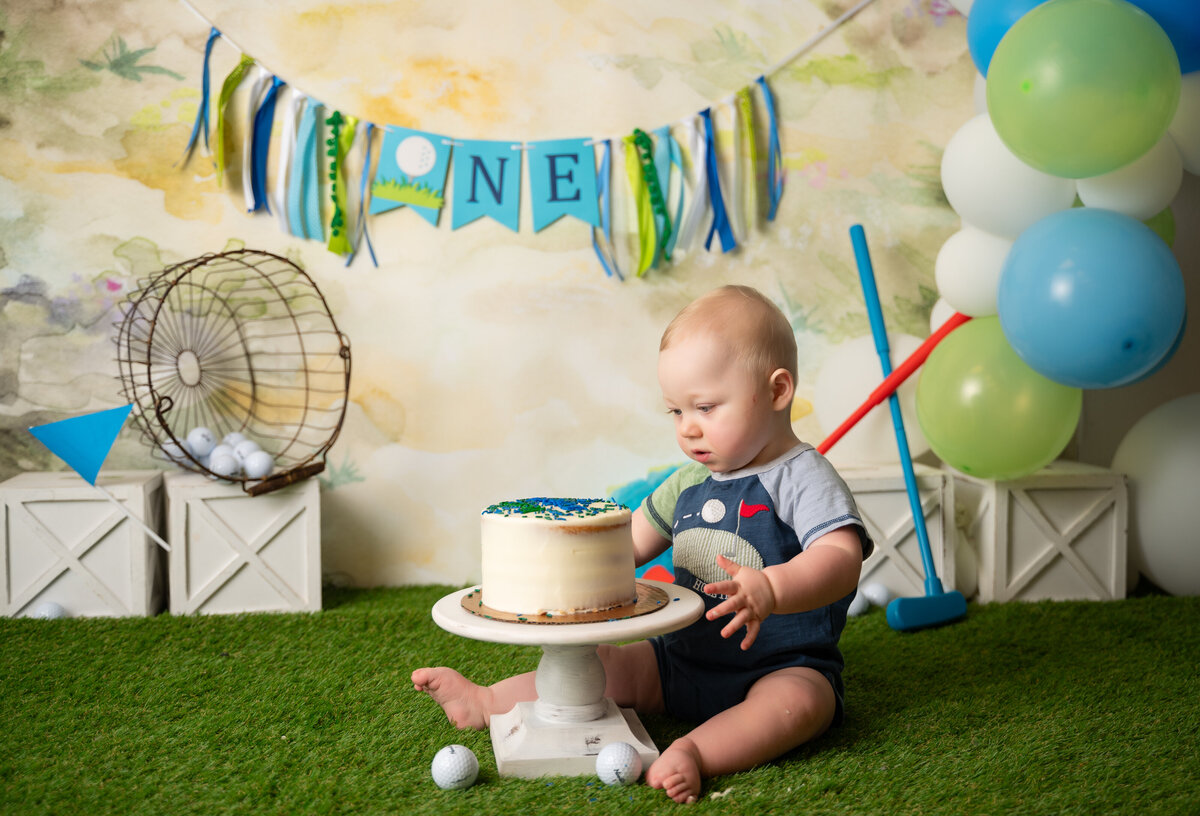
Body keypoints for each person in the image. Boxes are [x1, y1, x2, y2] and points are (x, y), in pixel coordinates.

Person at [413, 284, 873, 803]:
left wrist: (773, 587)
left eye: (704, 407)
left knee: (800, 706)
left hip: (780, 665)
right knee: (605, 664)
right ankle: (489, 701)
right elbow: (624, 548)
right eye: (675, 412)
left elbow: (840, 559)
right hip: (681, 659)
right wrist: (549, 562)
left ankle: (695, 751)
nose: (688, 429)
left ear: (777, 390)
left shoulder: (803, 477)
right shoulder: (686, 484)